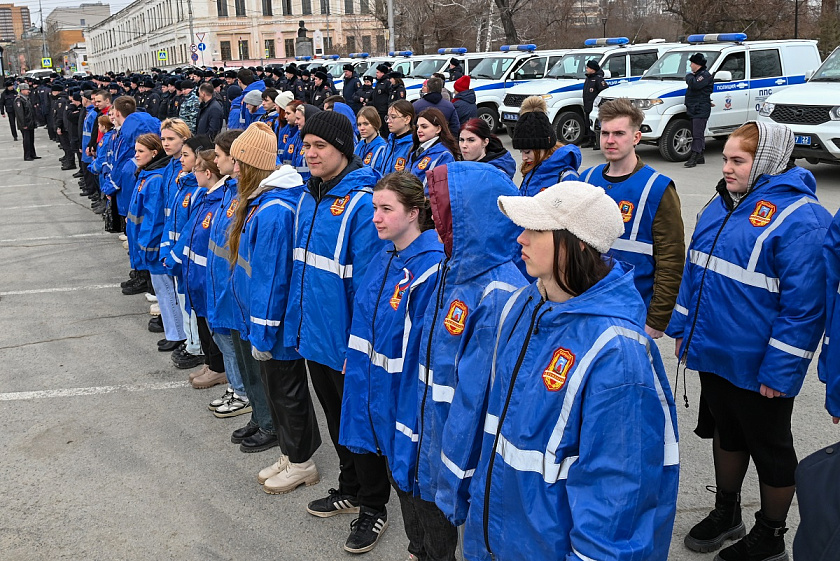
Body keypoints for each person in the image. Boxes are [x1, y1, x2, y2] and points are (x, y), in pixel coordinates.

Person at [462, 181, 680, 561]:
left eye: (536, 229)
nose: (521, 239)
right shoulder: (526, 305)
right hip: (499, 539)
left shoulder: (617, 353)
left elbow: (616, 499)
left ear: (577, 243)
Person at [667, 122, 831, 561]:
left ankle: (771, 534)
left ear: (767, 162)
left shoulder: (803, 219)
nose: (726, 168)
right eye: (725, 159)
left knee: (770, 447)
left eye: (738, 161)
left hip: (760, 365)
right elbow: (694, 270)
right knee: (727, 431)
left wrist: (780, 370)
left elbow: (805, 309)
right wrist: (684, 329)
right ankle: (727, 512)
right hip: (713, 351)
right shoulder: (721, 203)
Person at [284, 111, 391, 553]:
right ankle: (350, 488)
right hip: (316, 335)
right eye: (306, 145)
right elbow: (304, 271)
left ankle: (374, 506)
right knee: (335, 418)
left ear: (342, 150)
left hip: (346, 342)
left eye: (320, 147)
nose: (310, 154)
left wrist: (359, 347)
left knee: (360, 426)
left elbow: (369, 286)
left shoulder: (362, 203)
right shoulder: (310, 196)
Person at [413, 162, 526, 560]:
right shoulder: (456, 269)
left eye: (443, 210)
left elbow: (477, 400)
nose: (435, 219)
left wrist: (456, 484)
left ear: (471, 216)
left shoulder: (497, 293)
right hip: (439, 430)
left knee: (468, 533)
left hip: (465, 452)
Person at [338, 171, 445, 560]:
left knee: (415, 480)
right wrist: (355, 361)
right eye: (374, 208)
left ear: (414, 213)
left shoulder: (431, 268)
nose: (376, 218)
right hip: (375, 387)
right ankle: (417, 548)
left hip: (405, 396)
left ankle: (429, 551)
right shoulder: (385, 255)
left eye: (386, 209)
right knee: (397, 474)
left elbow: (424, 348)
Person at [226, 122, 323, 493]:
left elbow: (271, 279)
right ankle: (290, 452)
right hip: (268, 323)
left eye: (239, 162)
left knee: (287, 392)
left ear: (253, 166)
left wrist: (263, 334)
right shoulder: (266, 201)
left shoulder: (273, 211)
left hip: (276, 325)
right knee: (278, 391)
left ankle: (301, 463)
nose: (234, 169)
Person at [580, 98, 685, 338]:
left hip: (632, 312)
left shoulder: (657, 188)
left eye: (619, 133)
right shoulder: (586, 179)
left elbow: (671, 260)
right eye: (605, 133)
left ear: (636, 137)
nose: (610, 140)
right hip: (586, 305)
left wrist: (657, 320)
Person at [170, 149, 233, 398]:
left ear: (207, 173)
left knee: (214, 328)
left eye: (196, 168)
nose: (192, 172)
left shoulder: (218, 202)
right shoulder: (207, 198)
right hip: (196, 274)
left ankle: (218, 368)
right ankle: (210, 362)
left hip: (207, 276)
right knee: (203, 323)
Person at [166, 135, 215, 371]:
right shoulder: (183, 185)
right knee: (185, 302)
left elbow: (190, 230)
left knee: (192, 306)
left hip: (187, 259)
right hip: (179, 257)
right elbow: (171, 221)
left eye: (186, 155)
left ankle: (196, 347)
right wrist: (167, 250)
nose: (181, 159)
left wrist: (175, 256)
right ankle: (193, 342)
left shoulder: (198, 192)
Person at [512, 96, 581, 195]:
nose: (523, 157)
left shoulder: (567, 176)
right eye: (521, 151)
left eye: (527, 152)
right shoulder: (532, 169)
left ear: (544, 147)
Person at [408, 108, 458, 190]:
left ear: (438, 129)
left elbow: (439, 189)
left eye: (424, 127)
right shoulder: (416, 151)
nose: (419, 130)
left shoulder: (444, 155)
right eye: (417, 127)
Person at [685, 52, 713, 168]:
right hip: (695, 108)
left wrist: (688, 76)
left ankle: (694, 156)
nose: (690, 65)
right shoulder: (697, 75)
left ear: (697, 64)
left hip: (700, 108)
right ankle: (700, 155)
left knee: (697, 134)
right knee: (697, 133)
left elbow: (695, 85)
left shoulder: (704, 75)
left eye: (692, 63)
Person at [376, 100, 415, 176]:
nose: (388, 121)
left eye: (393, 117)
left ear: (407, 119)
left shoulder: (412, 146)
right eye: (387, 117)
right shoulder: (390, 142)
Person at [581, 59, 608, 148]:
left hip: (595, 106)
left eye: (588, 68)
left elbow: (604, 92)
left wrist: (598, 104)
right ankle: (591, 140)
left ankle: (598, 142)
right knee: (588, 123)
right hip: (587, 105)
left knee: (596, 124)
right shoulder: (588, 78)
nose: (586, 69)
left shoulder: (598, 79)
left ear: (593, 69)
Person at [13, 83, 37, 161]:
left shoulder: (26, 98)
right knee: (27, 140)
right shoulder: (19, 100)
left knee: (31, 139)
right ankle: (27, 155)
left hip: (30, 122)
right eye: (27, 90)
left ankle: (32, 154)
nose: (28, 91)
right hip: (25, 123)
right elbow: (20, 114)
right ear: (22, 90)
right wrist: (23, 124)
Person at [371, 64, 391, 137]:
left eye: (378, 72)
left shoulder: (387, 83)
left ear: (382, 73)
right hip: (378, 110)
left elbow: (389, 96)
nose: (376, 74)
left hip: (383, 110)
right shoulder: (379, 82)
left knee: (385, 129)